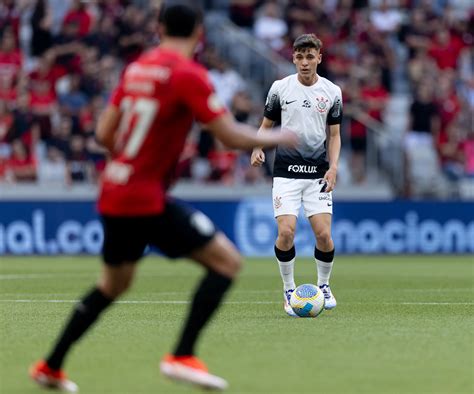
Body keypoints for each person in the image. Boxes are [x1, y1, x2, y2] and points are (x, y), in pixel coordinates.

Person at [29, 2, 297, 392]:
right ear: (199, 32)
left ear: (158, 27)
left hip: (115, 190)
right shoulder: (189, 75)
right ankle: (182, 355)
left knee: (113, 286)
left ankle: (50, 366)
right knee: (226, 263)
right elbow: (230, 136)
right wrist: (279, 136)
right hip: (144, 197)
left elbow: (104, 135)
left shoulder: (136, 69)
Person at [251, 33, 343, 317]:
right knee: (286, 232)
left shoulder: (332, 92)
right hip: (286, 175)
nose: (304, 63)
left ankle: (323, 286)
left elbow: (335, 135)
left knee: (324, 236)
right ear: (293, 58)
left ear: (319, 58)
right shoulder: (280, 88)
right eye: (299, 57)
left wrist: (334, 167)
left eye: (310, 57)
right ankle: (289, 290)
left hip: (317, 175)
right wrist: (257, 146)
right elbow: (266, 124)